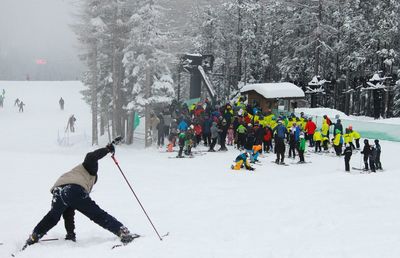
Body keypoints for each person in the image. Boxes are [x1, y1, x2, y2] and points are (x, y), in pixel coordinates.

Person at [23, 144, 138, 250]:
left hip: (58, 191)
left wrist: (70, 234)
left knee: (52, 217)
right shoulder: (90, 170)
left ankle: (35, 235)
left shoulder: (74, 173)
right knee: (97, 214)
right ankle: (122, 231)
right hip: (73, 189)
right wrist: (107, 149)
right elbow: (91, 156)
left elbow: (68, 213)